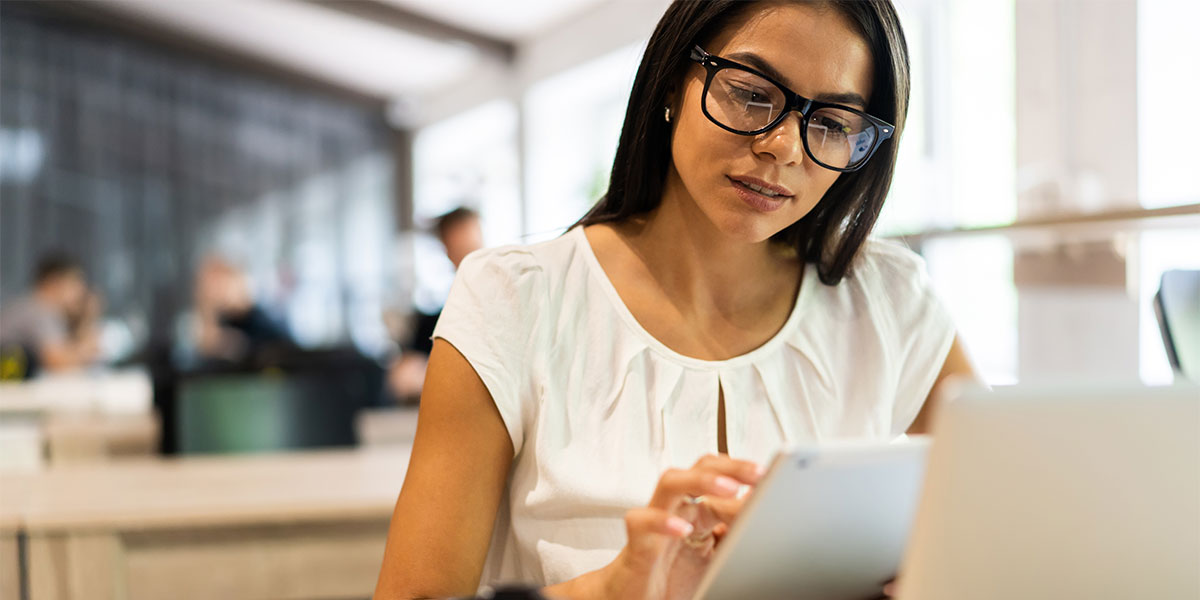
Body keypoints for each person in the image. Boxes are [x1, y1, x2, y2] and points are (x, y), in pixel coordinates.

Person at [374, 1, 977, 598]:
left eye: (833, 123)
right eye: (751, 92)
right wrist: (612, 589)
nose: (786, 148)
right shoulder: (514, 299)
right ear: (669, 81)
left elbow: (1009, 511)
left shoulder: (887, 298)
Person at [387, 207, 484, 401]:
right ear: (447, 250)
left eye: (473, 245)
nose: (470, 256)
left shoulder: (507, 310)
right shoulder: (436, 323)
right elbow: (403, 379)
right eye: (460, 248)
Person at [0, 252, 99, 373]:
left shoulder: (31, 306)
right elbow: (57, 362)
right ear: (53, 283)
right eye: (74, 284)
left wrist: (85, 319)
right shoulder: (40, 310)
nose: (80, 293)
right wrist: (89, 317)